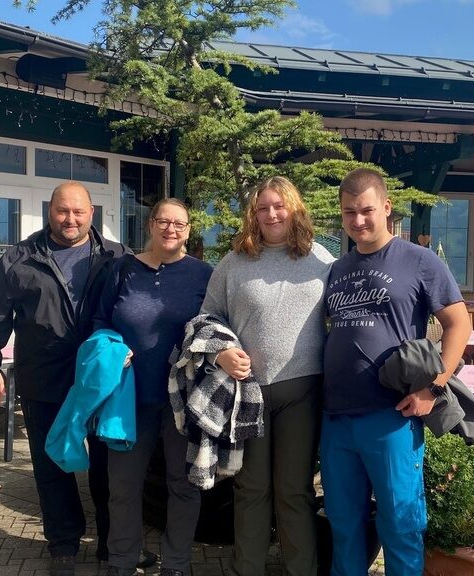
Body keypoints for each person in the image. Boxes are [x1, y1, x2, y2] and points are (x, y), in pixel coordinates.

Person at [0, 181, 134, 576]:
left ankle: (111, 544)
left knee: (108, 467)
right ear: (50, 211)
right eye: (63, 211)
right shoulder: (19, 259)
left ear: (91, 213)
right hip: (43, 379)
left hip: (101, 381)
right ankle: (63, 544)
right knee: (51, 466)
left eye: (78, 212)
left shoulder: (117, 256)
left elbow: (136, 309)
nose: (70, 219)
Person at [320, 168, 471, 576]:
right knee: (344, 525)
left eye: (366, 210)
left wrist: (432, 388)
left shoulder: (419, 261)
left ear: (386, 208)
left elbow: (459, 323)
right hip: (336, 418)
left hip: (391, 415)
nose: (358, 220)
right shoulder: (337, 269)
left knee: (401, 525)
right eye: (349, 212)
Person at [200, 176, 335, 576]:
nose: (272, 214)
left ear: (295, 209)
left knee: (294, 491)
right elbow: (207, 318)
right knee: (251, 489)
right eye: (263, 208)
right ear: (253, 215)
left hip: (302, 391)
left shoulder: (321, 260)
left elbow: (345, 317)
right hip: (248, 394)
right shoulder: (233, 263)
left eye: (279, 206)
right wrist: (221, 353)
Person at [93, 198, 213, 576]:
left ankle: (175, 563)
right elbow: (99, 320)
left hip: (183, 398)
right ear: (150, 225)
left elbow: (216, 327)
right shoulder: (122, 269)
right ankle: (123, 559)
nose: (170, 229)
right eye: (163, 221)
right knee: (123, 485)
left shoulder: (203, 274)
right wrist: (112, 347)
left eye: (179, 224)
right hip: (129, 398)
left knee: (183, 484)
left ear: (188, 231)